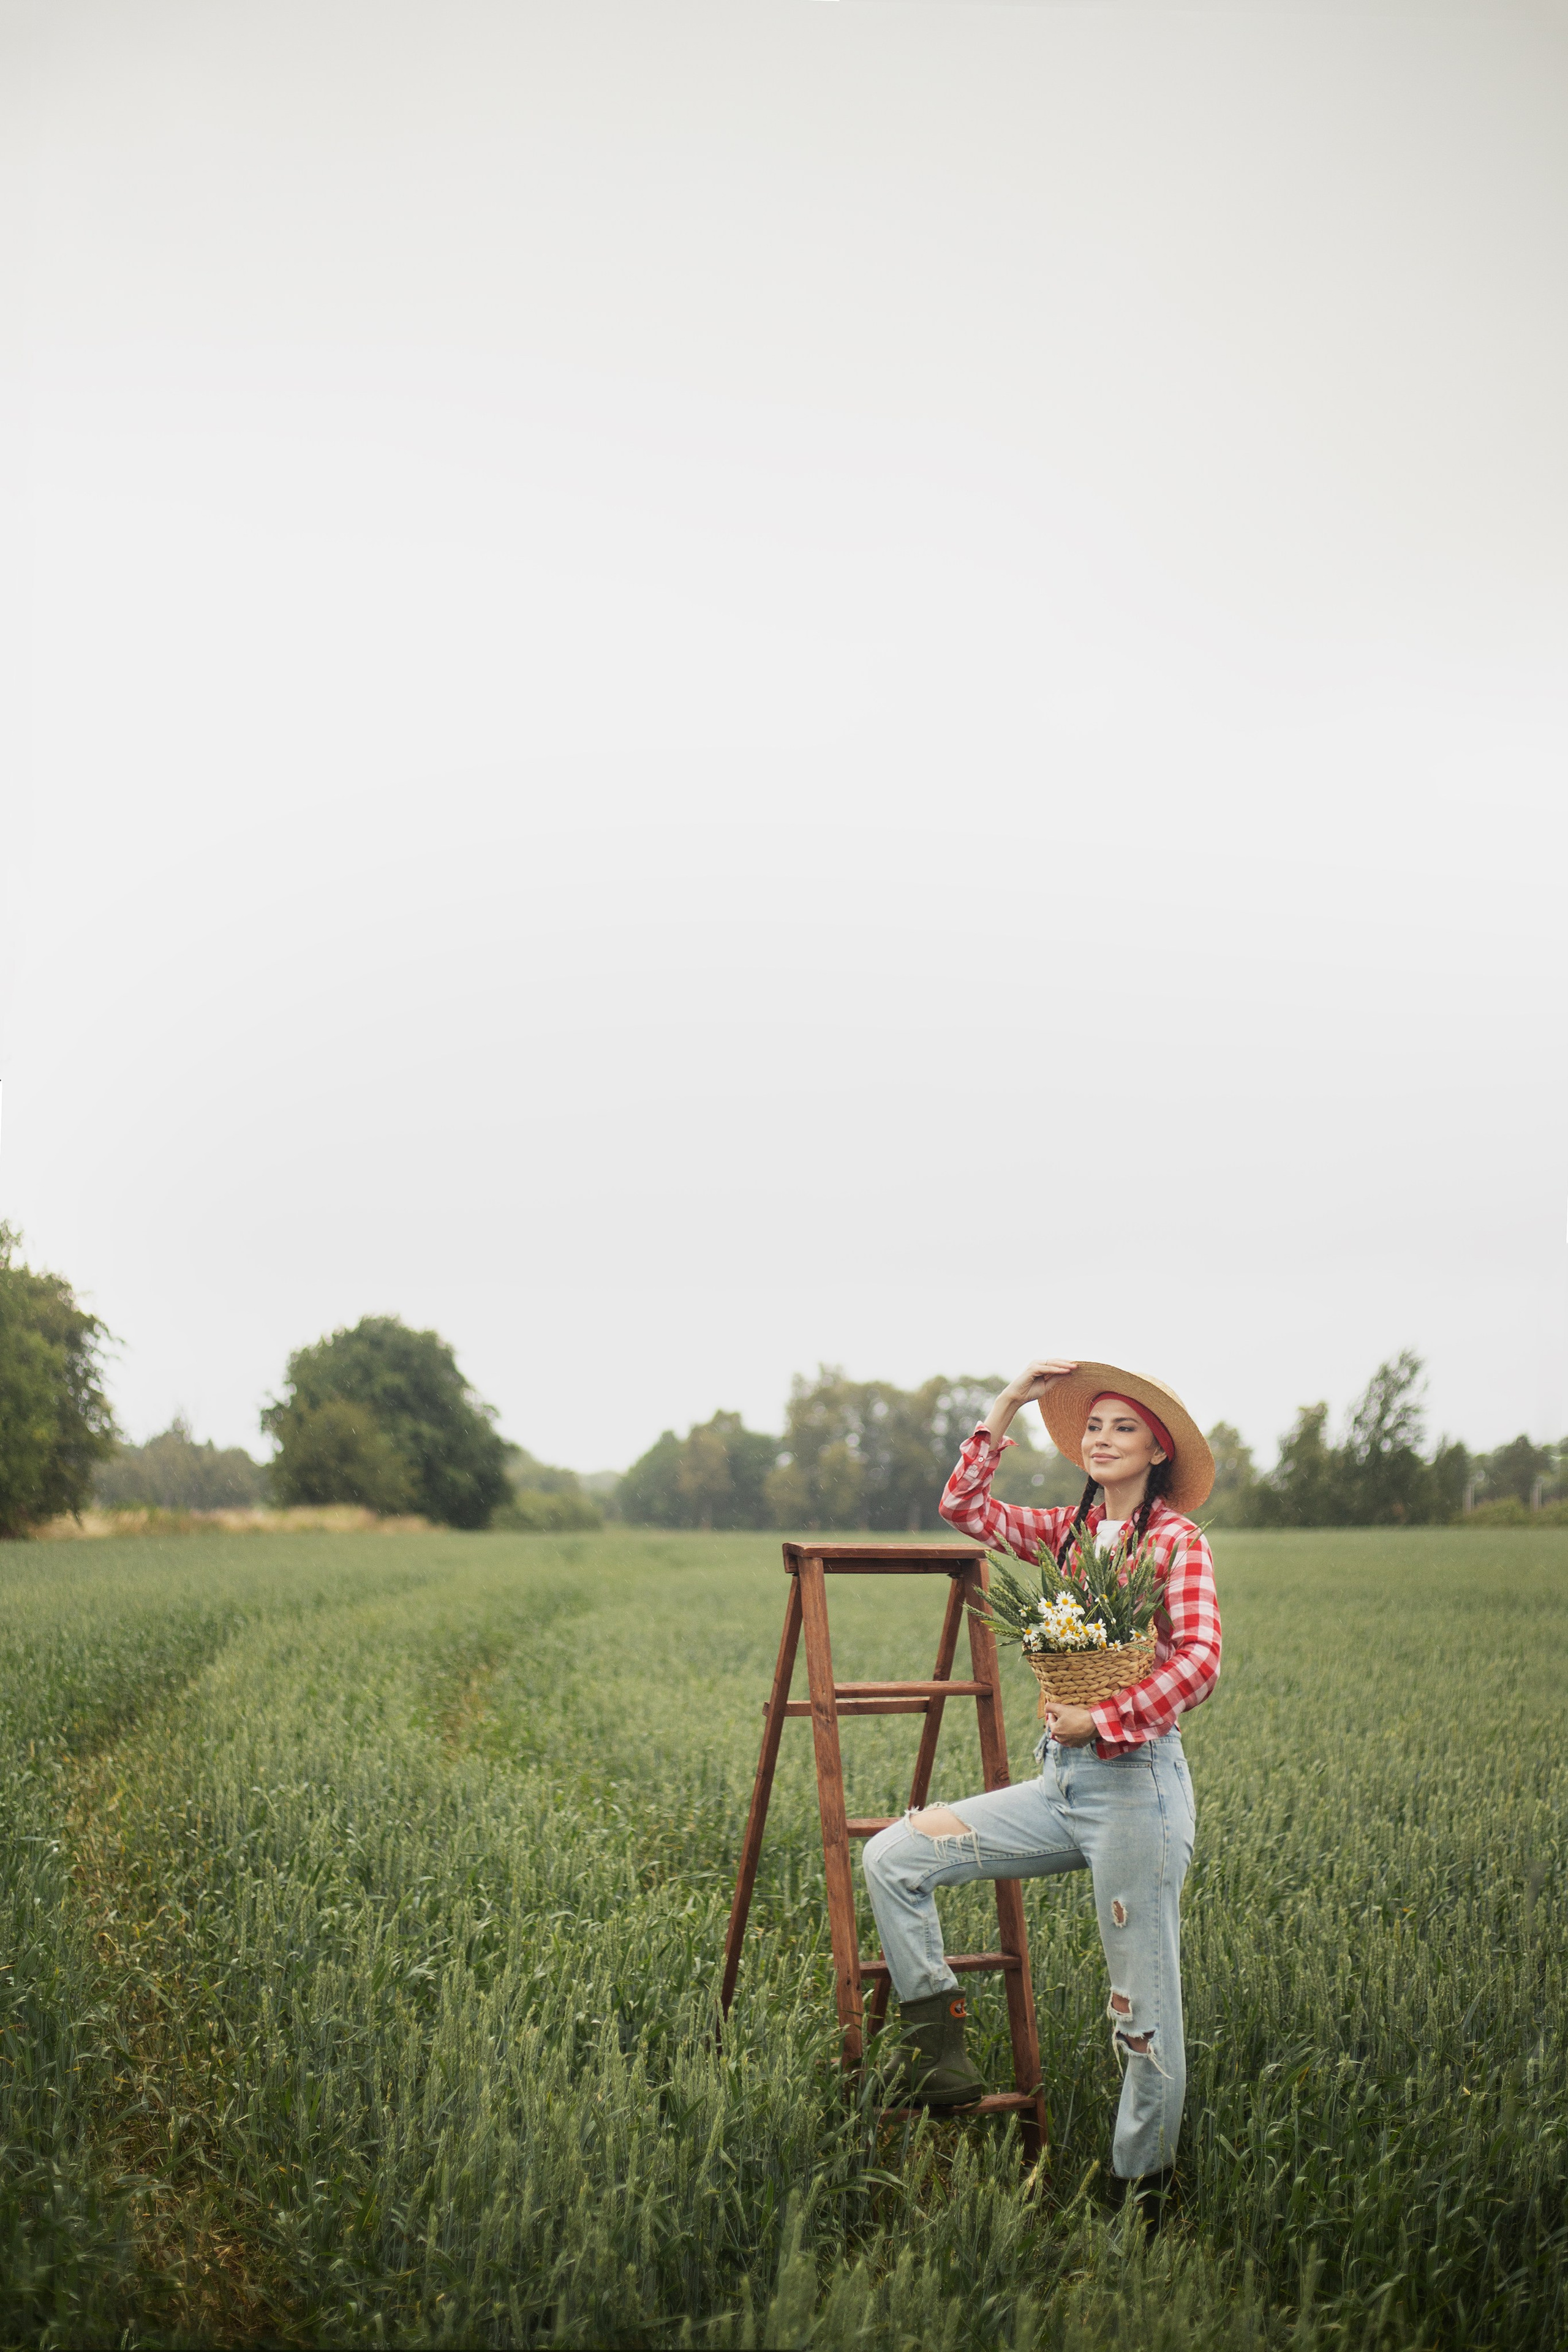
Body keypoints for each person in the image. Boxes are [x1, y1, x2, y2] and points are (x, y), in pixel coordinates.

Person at [861, 1357, 1221, 2219]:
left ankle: (1145, 2191)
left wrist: (1101, 1720)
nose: (1101, 1439)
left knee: (1141, 2010)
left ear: (1157, 1449)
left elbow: (1201, 1661)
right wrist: (1006, 1404)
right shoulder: (1066, 1533)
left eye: (1121, 1428)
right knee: (895, 1856)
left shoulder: (1178, 1543)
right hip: (1059, 1787)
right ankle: (939, 2049)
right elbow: (966, 1511)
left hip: (1138, 1792)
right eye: (1091, 1426)